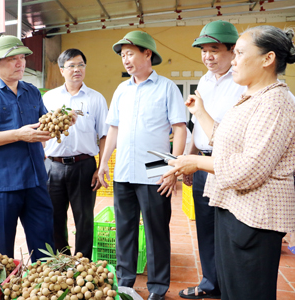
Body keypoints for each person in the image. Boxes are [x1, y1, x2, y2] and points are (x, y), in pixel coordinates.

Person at [165, 26, 295, 300]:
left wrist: (197, 163)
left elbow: (250, 170)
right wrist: (199, 112)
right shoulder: (253, 97)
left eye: (239, 53)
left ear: (267, 59)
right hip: (234, 207)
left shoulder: (275, 103)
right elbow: (223, 139)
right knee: (232, 286)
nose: (233, 61)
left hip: (254, 216)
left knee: (248, 290)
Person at [98, 31, 187, 300]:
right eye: (122, 55)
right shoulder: (122, 90)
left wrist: (172, 167)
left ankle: (158, 288)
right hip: (125, 168)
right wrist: (103, 163)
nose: (125, 59)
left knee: (156, 230)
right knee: (124, 229)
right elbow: (113, 129)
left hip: (155, 168)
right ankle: (125, 282)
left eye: (130, 53)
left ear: (147, 54)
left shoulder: (166, 87)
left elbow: (180, 129)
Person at [0, 35, 64, 262]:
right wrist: (18, 134)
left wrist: (62, 121)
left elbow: (43, 123)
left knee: (44, 246)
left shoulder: (31, 92)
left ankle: (43, 291)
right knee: (2, 252)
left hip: (35, 180)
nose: (20, 63)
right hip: (1, 184)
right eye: (12, 59)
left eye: (22, 57)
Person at [179, 20, 246, 299]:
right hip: (202, 165)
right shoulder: (204, 81)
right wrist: (189, 157)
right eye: (204, 50)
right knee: (205, 228)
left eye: (214, 49)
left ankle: (233, 288)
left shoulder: (244, 81)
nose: (208, 56)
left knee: (230, 232)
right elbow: (197, 125)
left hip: (229, 166)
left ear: (234, 51)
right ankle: (210, 283)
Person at [43, 48, 109, 258]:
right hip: (53, 165)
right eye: (71, 65)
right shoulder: (49, 98)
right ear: (62, 70)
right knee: (54, 217)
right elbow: (41, 131)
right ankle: (61, 260)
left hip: (84, 165)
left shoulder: (95, 98)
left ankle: (83, 263)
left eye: (81, 65)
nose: (77, 69)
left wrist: (100, 166)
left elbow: (105, 135)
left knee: (84, 218)